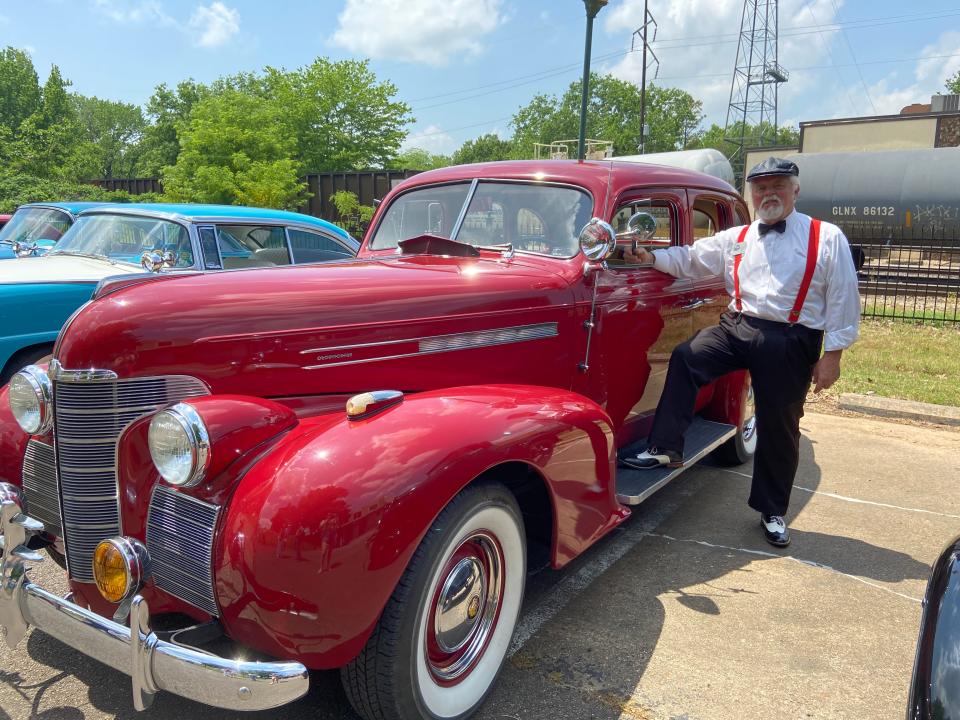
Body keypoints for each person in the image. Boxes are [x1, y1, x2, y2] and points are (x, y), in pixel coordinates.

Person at [621, 157, 861, 547]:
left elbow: (843, 298)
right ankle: (666, 447)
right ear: (752, 194)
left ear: (795, 191)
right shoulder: (739, 236)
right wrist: (650, 257)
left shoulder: (826, 237)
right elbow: (692, 259)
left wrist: (833, 354)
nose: (768, 194)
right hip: (738, 326)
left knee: (778, 425)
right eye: (761, 187)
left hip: (790, 337)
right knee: (687, 357)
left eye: (777, 186)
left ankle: (772, 510)